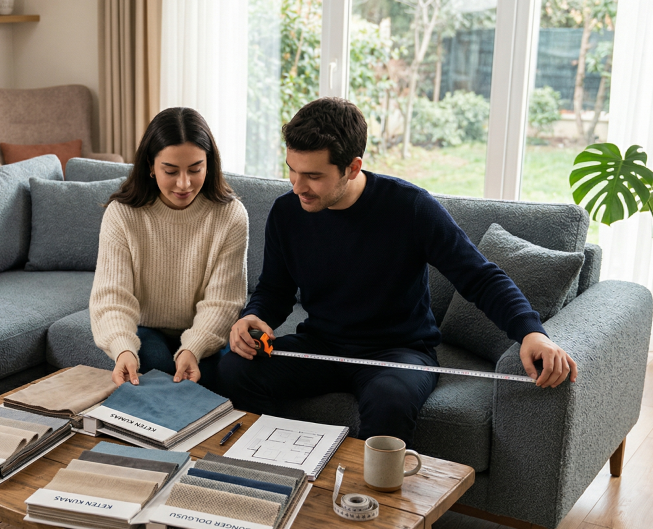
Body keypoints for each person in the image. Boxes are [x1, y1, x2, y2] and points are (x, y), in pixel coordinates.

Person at [219, 98, 577, 444]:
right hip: (321, 345)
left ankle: (361, 500)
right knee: (235, 368)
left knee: (390, 400)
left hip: (399, 352)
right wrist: (254, 317)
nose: (297, 187)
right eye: (291, 170)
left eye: (312, 176)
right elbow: (274, 290)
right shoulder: (287, 212)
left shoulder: (411, 207)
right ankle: (277, 467)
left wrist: (532, 333)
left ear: (353, 167)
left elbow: (479, 277)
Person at [90, 107, 249, 388]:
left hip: (206, 328)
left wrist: (193, 348)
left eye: (196, 169)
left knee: (221, 376)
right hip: (146, 327)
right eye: (171, 171)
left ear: (209, 164)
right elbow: (112, 297)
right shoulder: (122, 214)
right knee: (157, 373)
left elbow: (224, 302)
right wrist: (123, 349)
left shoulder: (231, 215)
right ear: (151, 166)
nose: (184, 183)